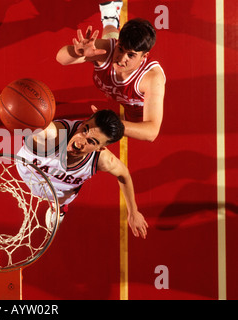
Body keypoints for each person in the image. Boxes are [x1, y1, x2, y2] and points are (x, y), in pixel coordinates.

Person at [16, 109, 148, 239]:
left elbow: (124, 174)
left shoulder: (103, 160)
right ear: (83, 122)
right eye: (84, 130)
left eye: (91, 142)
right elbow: (28, 117)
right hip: (26, 172)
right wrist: (3, 109)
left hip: (58, 193)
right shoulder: (53, 135)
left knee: (63, 198)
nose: (79, 142)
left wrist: (133, 211)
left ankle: (59, 208)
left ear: (100, 148)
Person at [56, 1, 166, 142]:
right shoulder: (108, 48)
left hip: (134, 106)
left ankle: (110, 18)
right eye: (121, 49)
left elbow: (151, 132)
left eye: (131, 55)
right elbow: (61, 58)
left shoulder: (151, 78)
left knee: (129, 127)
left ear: (144, 56)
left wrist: (108, 124)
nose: (121, 58)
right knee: (109, 42)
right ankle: (109, 17)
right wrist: (77, 53)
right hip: (113, 84)